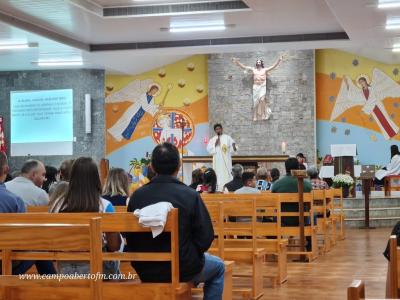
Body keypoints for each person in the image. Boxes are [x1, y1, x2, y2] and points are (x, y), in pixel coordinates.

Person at [126, 143, 224, 299]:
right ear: (179, 166)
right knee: (218, 266)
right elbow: (206, 237)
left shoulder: (137, 196)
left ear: (151, 166)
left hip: (145, 268)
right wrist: (190, 252)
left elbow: (129, 237)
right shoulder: (190, 195)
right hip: (183, 267)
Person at [50, 157, 121, 276]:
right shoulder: (104, 206)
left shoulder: (57, 205)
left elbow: (51, 242)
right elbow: (113, 246)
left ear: (72, 179)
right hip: (98, 271)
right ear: (96, 178)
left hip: (65, 269)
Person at [0, 152, 56, 275]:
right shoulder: (14, 200)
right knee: (39, 247)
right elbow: (24, 237)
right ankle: (54, 287)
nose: (44, 179)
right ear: (6, 169)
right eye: (43, 175)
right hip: (4, 263)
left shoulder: (9, 190)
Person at [272, 157, 312, 250]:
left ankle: (277, 247)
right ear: (298, 167)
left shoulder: (277, 184)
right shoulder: (306, 184)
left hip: (282, 220)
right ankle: (309, 244)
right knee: (311, 214)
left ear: (285, 168)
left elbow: (273, 201)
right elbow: (310, 203)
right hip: (301, 221)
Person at [232, 55, 285, 120]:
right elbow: (244, 67)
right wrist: (237, 62)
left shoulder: (265, 70)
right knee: (255, 101)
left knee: (262, 100)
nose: (258, 62)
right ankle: (255, 116)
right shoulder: (254, 70)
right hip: (256, 87)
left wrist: (279, 60)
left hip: (262, 86)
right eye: (257, 62)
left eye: (259, 62)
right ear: (256, 63)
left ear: (261, 63)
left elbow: (273, 67)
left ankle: (263, 114)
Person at [207, 124, 237, 191]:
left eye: (219, 129)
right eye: (216, 129)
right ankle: (218, 188)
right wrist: (215, 144)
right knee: (218, 173)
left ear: (222, 129)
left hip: (226, 161)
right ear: (215, 131)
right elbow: (209, 149)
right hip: (217, 161)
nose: (218, 130)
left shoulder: (227, 138)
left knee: (227, 173)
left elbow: (233, 148)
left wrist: (234, 147)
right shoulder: (213, 139)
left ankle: (228, 187)